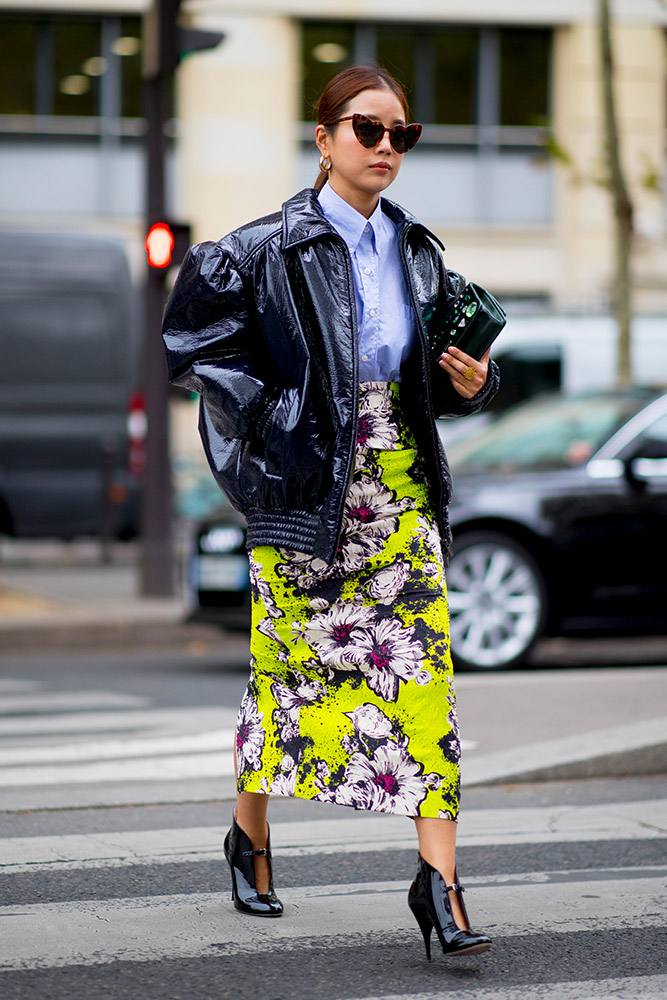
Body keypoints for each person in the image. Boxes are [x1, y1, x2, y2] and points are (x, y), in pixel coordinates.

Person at [162, 65, 499, 960]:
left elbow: (426, 374)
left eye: (401, 134)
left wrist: (475, 381)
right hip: (305, 492)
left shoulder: (417, 250)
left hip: (397, 490)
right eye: (367, 128)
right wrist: (280, 425)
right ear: (323, 137)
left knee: (423, 683)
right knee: (285, 684)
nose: (386, 147)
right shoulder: (258, 249)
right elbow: (193, 346)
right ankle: (250, 837)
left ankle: (442, 885)